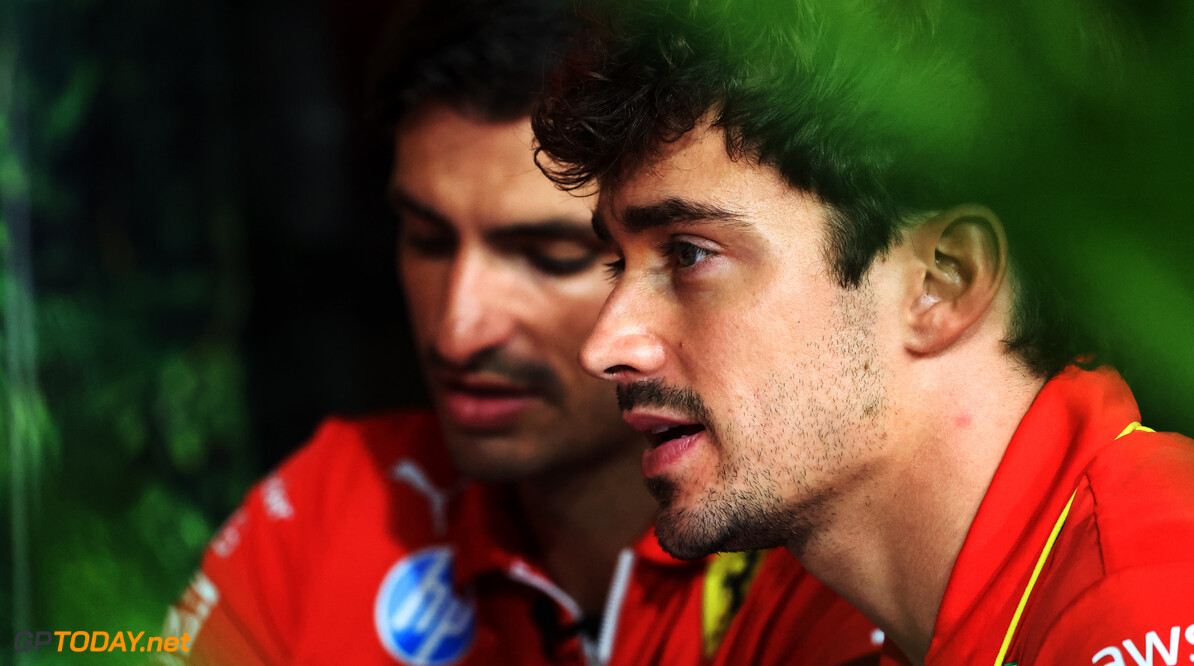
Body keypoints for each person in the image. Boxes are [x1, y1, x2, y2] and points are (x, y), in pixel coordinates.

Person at [161, 0, 883, 664]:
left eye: (550, 255)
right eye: (427, 239)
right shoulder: (335, 506)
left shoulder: (833, 550)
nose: (457, 330)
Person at [530, 1, 1194, 665]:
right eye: (618, 264)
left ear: (944, 279)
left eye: (688, 255)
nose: (606, 345)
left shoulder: (1150, 596)